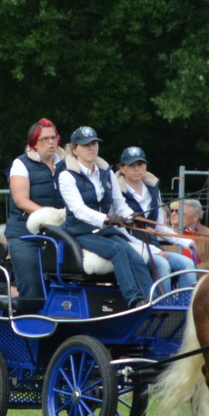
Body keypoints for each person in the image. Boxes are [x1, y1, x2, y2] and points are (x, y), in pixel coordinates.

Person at [55, 126, 155, 307]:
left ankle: (152, 300)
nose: (91, 148)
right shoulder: (66, 176)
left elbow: (119, 204)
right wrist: (107, 219)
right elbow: (79, 210)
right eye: (85, 145)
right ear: (74, 149)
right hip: (80, 231)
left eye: (94, 144)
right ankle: (134, 300)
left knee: (136, 257)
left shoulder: (107, 172)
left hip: (104, 230)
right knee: (117, 250)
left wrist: (133, 217)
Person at [112, 147, 198, 295]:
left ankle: (184, 306)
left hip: (153, 247)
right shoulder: (116, 192)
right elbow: (119, 231)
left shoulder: (153, 190)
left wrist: (185, 242)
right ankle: (161, 306)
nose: (137, 169)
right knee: (162, 264)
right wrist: (154, 251)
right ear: (122, 168)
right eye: (132, 165)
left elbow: (159, 227)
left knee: (188, 264)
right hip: (131, 247)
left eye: (140, 164)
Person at [5, 118, 65, 307]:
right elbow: (20, 200)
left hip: (57, 232)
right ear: (34, 143)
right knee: (32, 284)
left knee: (63, 281)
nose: (51, 143)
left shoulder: (66, 164)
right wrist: (51, 215)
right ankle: (29, 331)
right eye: (45, 139)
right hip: (24, 233)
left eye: (54, 138)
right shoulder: (21, 164)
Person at [170, 198, 209, 272]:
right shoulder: (165, 235)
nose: (173, 214)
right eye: (172, 211)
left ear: (195, 216)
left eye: (179, 212)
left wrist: (188, 271)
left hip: (200, 280)